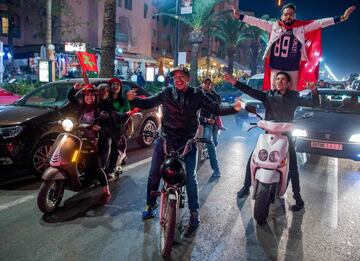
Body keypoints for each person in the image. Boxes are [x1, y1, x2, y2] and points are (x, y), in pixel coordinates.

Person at [127, 66, 242, 230]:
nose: (178, 79)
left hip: (187, 142)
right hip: (166, 139)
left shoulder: (197, 94)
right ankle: (150, 204)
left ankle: (194, 212)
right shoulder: (166, 93)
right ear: (172, 80)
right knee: (154, 173)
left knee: (191, 178)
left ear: (188, 79)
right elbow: (148, 103)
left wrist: (233, 109)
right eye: (175, 77)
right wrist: (133, 100)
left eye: (182, 76)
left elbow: (215, 108)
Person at [225, 71, 320, 211]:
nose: (280, 81)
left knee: (293, 166)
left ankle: (298, 198)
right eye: (278, 79)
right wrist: (234, 82)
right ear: (274, 82)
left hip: (286, 136)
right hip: (268, 134)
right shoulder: (268, 95)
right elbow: (250, 91)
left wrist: (314, 91)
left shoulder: (294, 96)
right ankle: (246, 187)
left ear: (288, 83)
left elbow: (314, 104)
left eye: (283, 80)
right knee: (253, 159)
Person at [232, 3, 356, 90]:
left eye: (291, 14)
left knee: (292, 95)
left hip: (293, 67)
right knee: (274, 93)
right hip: (275, 66)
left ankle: (289, 122)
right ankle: (272, 121)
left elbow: (320, 23)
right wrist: (240, 17)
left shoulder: (301, 27)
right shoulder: (274, 26)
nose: (288, 16)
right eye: (286, 14)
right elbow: (257, 22)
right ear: (282, 16)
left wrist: (341, 18)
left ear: (294, 15)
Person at [68, 83, 113, 204]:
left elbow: (108, 123)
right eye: (87, 95)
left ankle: (106, 191)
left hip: (95, 142)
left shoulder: (100, 109)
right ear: (83, 97)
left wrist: (100, 128)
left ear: (96, 97)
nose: (89, 98)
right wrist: (74, 89)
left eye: (92, 95)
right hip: (79, 139)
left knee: (96, 167)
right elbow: (71, 99)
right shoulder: (80, 107)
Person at [198, 77, 222, 177]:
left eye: (209, 84)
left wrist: (211, 119)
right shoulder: (197, 93)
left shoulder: (214, 96)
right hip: (195, 122)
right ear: (202, 84)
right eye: (205, 83)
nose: (207, 85)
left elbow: (216, 110)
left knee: (209, 141)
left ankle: (216, 169)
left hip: (207, 123)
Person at [107, 78, 131, 174]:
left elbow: (127, 113)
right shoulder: (106, 99)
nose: (115, 86)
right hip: (106, 127)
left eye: (118, 84)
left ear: (120, 87)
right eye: (113, 84)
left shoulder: (123, 100)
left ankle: (112, 169)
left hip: (118, 128)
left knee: (114, 148)